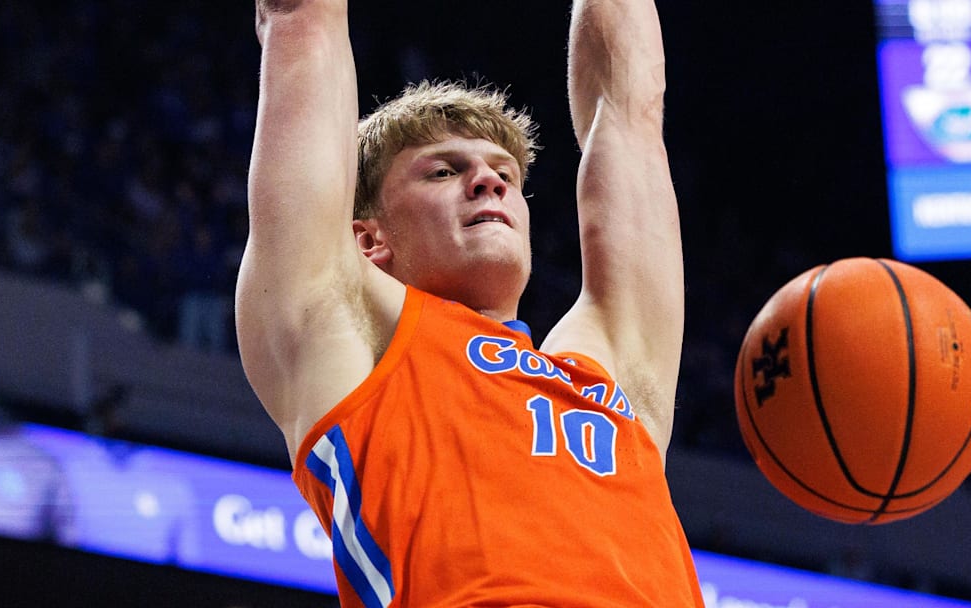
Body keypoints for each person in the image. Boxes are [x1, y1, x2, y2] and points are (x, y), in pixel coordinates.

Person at [236, 0, 704, 605]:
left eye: (505, 173)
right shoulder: (343, 333)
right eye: (443, 171)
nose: (489, 181)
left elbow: (629, 108)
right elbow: (301, 17)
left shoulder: (606, 371)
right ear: (368, 237)